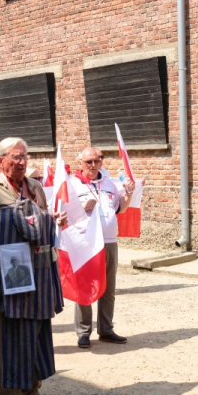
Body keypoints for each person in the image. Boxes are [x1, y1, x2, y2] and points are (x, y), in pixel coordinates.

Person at [0, 138, 66, 395]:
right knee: (10, 336)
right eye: (16, 157)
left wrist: (52, 219)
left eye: (25, 157)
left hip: (42, 273)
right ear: (1, 160)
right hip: (10, 274)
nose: (22, 162)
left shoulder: (35, 187)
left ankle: (31, 393)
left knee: (35, 333)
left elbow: (37, 222)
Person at [70, 146, 134, 349]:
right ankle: (83, 331)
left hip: (109, 241)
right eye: (88, 161)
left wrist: (128, 195)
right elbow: (63, 212)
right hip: (87, 242)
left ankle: (106, 329)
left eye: (97, 161)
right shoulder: (72, 184)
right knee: (85, 287)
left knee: (108, 288)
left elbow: (119, 208)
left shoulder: (108, 182)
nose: (93, 165)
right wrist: (81, 208)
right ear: (79, 163)